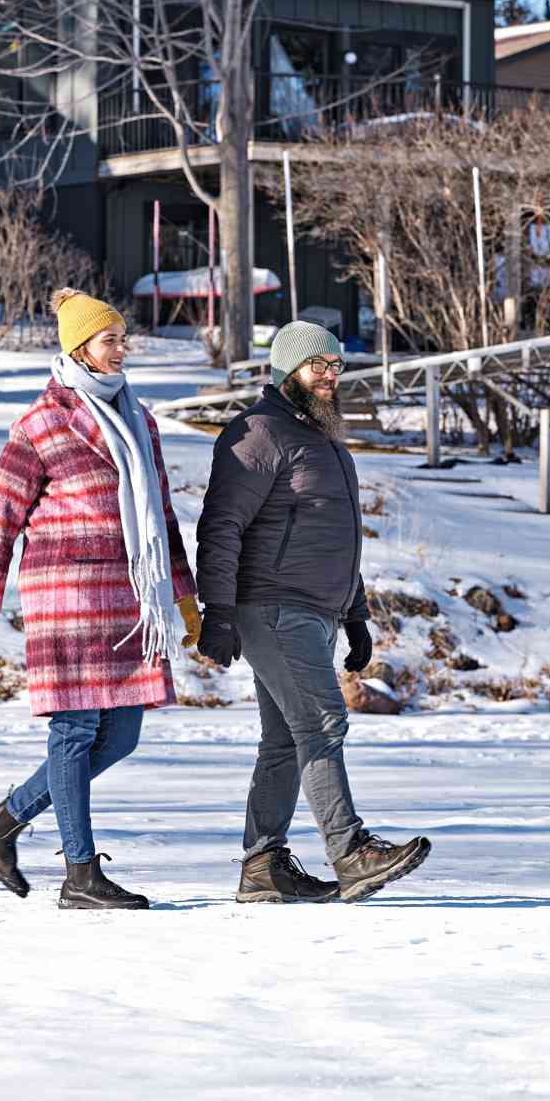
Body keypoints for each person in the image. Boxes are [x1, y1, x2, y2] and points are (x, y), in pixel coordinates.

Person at [0, 287, 202, 910]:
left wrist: (184, 597)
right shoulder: (40, 423)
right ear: (79, 348)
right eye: (110, 340)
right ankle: (80, 875)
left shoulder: (139, 419)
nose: (122, 349)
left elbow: (162, 514)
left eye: (123, 339)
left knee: (121, 737)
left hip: (127, 596)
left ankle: (2, 823)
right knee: (73, 733)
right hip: (65, 592)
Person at [196, 320, 431, 904]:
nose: (330, 375)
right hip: (272, 606)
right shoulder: (258, 433)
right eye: (318, 365)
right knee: (323, 723)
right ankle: (350, 852)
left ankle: (262, 867)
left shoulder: (322, 436)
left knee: (283, 738)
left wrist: (355, 613)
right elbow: (221, 526)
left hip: (316, 610)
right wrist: (218, 612)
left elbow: (336, 535)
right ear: (286, 369)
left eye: (336, 365)